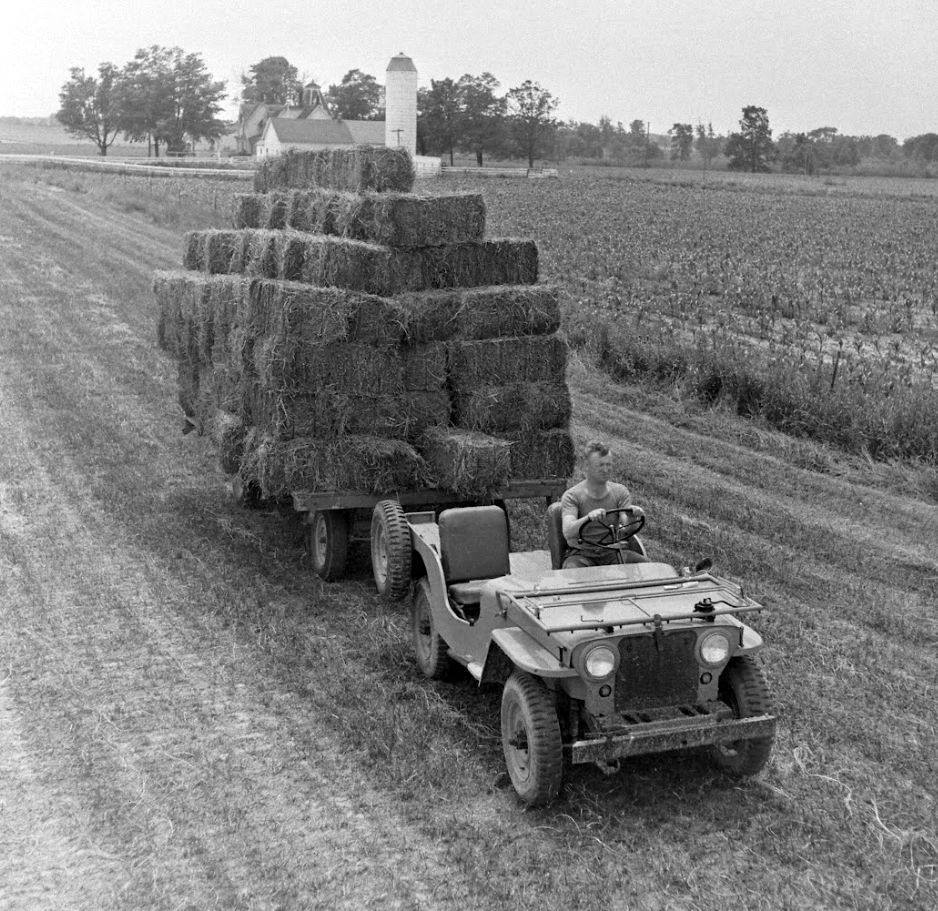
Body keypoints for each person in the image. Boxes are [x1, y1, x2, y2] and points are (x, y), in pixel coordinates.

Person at [560, 440, 649, 569]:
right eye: (600, 465)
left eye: (608, 464)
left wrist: (633, 516)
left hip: (613, 552)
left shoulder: (620, 492)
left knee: (648, 568)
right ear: (587, 466)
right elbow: (568, 532)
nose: (606, 469)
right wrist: (588, 518)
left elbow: (626, 528)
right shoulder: (572, 496)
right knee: (572, 571)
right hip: (583, 554)